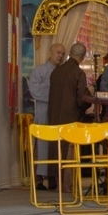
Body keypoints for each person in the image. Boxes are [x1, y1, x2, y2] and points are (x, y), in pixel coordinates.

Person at [48, 43, 92, 192]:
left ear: (70, 53)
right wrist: (90, 101)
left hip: (54, 116)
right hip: (70, 117)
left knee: (56, 148)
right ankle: (67, 185)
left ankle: (56, 182)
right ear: (83, 56)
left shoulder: (56, 71)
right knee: (68, 151)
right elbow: (82, 98)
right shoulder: (78, 73)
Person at [27, 43, 65, 188]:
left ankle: (53, 176)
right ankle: (38, 178)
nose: (60, 55)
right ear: (50, 53)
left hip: (58, 112)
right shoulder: (40, 70)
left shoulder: (63, 72)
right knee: (42, 144)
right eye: (58, 52)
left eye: (62, 53)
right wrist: (52, 93)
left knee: (55, 145)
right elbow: (34, 90)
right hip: (44, 109)